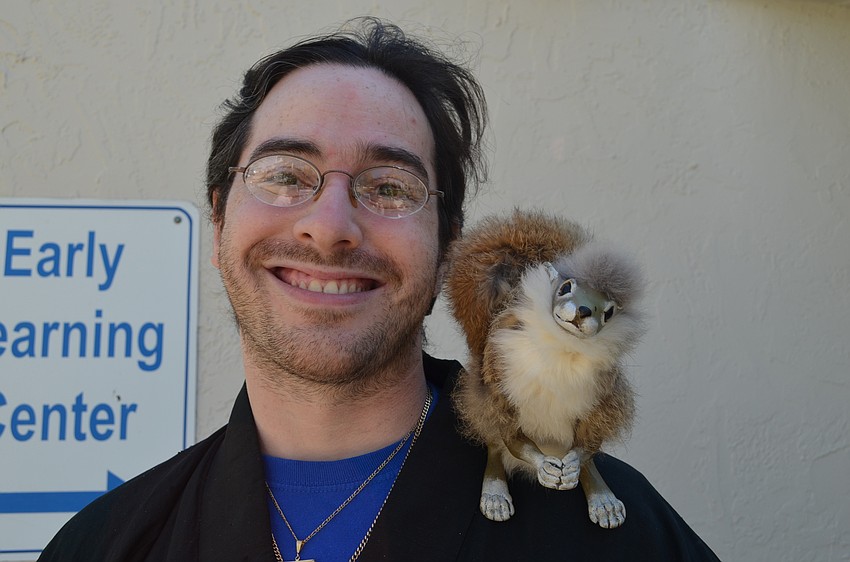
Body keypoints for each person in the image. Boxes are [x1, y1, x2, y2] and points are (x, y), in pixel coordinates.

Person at [38, 17, 720, 562]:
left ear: (448, 245)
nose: (329, 228)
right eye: (284, 174)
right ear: (219, 219)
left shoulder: (614, 537)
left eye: (390, 187)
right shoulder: (105, 544)